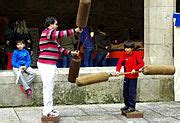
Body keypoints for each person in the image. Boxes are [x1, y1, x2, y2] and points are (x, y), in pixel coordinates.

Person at [37, 16, 82, 117]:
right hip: (46, 64)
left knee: (50, 87)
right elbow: (61, 34)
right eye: (56, 24)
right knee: (48, 87)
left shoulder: (52, 37)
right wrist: (75, 30)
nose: (57, 26)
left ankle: (49, 108)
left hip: (50, 64)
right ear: (51, 24)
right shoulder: (47, 32)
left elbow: (60, 49)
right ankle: (47, 111)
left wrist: (72, 53)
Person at [116, 40, 144, 113]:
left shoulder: (136, 55)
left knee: (131, 92)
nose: (126, 49)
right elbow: (119, 63)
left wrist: (135, 69)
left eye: (128, 48)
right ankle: (127, 105)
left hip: (133, 77)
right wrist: (117, 71)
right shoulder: (124, 54)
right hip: (127, 76)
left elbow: (141, 63)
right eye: (125, 48)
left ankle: (132, 106)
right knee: (125, 92)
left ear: (132, 48)